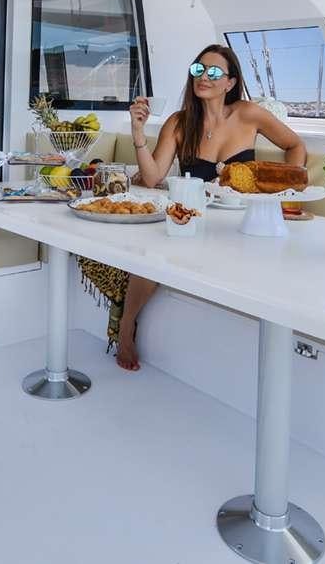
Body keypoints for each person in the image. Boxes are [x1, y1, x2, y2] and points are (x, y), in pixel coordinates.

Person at [114, 44, 306, 370]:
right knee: (150, 257)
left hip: (241, 220)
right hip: (192, 215)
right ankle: (125, 328)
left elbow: (295, 145)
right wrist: (138, 134)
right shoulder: (178, 122)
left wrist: (286, 194)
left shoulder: (249, 114)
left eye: (214, 72)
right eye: (198, 70)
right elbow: (152, 177)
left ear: (230, 82)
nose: (204, 77)